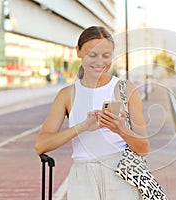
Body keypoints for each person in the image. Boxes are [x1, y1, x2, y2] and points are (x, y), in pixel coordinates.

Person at [35, 26, 149, 199]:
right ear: (78, 51)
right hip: (83, 176)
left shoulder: (127, 89)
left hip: (121, 174)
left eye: (106, 55)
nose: (100, 62)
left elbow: (143, 148)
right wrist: (82, 127)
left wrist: (120, 129)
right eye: (92, 55)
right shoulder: (66, 95)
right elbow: (41, 145)